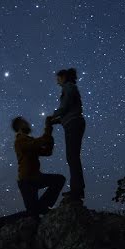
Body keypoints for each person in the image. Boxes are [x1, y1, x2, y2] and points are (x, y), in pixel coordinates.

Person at [12, 115, 66, 215]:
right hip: (27, 180)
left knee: (59, 180)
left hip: (33, 178)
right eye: (24, 122)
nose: (27, 123)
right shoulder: (20, 141)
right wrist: (48, 128)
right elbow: (38, 143)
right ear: (19, 126)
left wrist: (49, 136)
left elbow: (46, 152)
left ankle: (43, 208)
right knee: (33, 215)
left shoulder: (28, 140)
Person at [48, 67, 86, 202]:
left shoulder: (68, 87)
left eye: (58, 79)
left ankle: (77, 190)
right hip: (73, 123)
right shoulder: (70, 88)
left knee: (72, 157)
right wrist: (57, 120)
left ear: (63, 77)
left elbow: (65, 107)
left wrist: (52, 116)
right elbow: (68, 111)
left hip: (73, 124)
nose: (57, 82)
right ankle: (77, 189)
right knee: (73, 157)